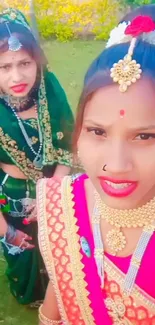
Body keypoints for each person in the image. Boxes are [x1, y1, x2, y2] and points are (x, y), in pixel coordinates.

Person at [37, 4, 155, 325]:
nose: (115, 166)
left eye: (145, 137)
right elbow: (54, 309)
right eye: (97, 131)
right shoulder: (65, 203)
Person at [0, 8, 74, 306]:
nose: (17, 76)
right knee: (24, 250)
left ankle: (62, 297)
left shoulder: (50, 90)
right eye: (4, 67)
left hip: (56, 188)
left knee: (60, 248)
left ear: (37, 62)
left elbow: (69, 145)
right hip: (12, 198)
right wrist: (8, 233)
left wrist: (51, 196)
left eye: (25, 63)